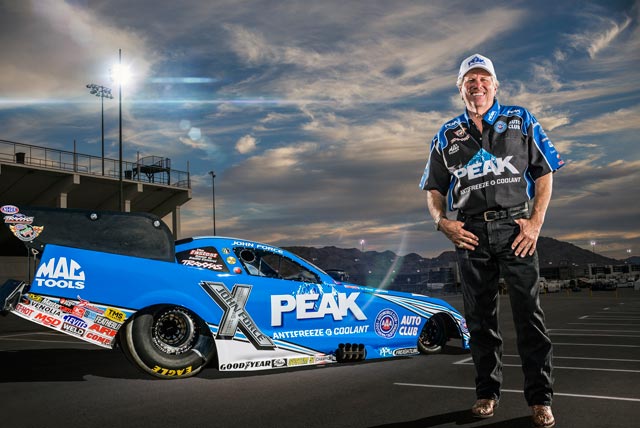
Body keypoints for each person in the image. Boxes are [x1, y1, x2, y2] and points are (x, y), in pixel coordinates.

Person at [419, 53, 564, 428]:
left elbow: (544, 172)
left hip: (515, 231)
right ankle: (486, 393)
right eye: (470, 80)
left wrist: (535, 222)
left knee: (529, 318)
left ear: (495, 85)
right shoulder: (446, 134)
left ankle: (540, 399)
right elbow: (434, 188)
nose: (477, 85)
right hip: (469, 234)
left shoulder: (521, 120)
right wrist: (442, 224)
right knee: (480, 322)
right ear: (461, 88)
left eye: (484, 79)